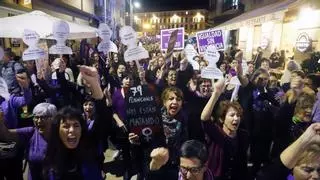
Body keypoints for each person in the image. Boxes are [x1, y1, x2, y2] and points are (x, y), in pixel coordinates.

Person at [43, 65, 112, 180]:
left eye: (76, 126)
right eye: (65, 126)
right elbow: (65, 86)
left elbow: (103, 119)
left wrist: (95, 85)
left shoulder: (88, 147)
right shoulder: (51, 159)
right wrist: (60, 71)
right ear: (57, 131)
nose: (71, 130)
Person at [201, 79, 249, 180]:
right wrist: (216, 93)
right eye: (232, 115)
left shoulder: (243, 136)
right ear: (222, 119)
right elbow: (204, 118)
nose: (236, 118)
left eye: (238, 115)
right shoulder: (216, 133)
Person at [0, 103, 57, 180]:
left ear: (53, 118)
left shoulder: (61, 134)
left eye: (43, 117)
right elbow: (6, 134)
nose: (39, 121)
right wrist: (0, 121)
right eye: (36, 117)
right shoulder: (30, 132)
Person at [150, 140, 214, 180]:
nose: (188, 176)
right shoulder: (173, 177)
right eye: (184, 169)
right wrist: (155, 164)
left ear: (204, 167)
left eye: (194, 170)